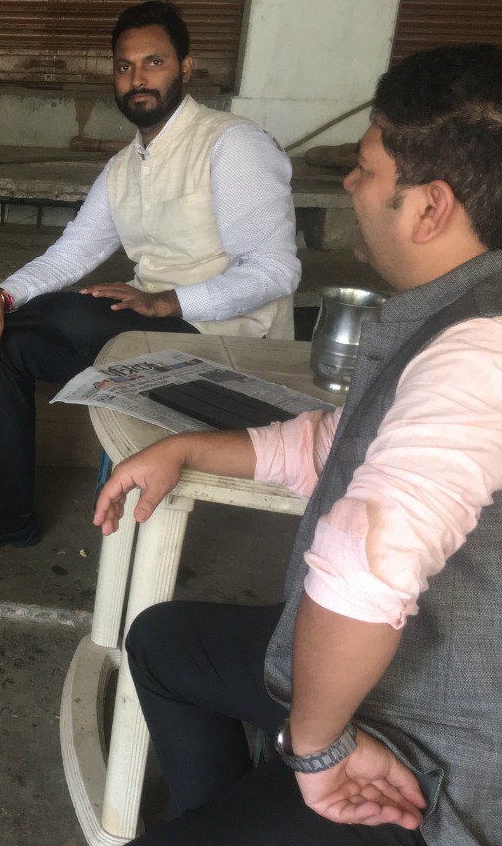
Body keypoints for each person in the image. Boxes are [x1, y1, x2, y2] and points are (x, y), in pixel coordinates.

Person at [92, 43, 502, 845]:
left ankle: (302, 792)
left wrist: (315, 747)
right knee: (166, 645)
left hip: (431, 755)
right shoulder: (457, 311)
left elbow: (365, 566)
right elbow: (340, 444)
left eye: (367, 169)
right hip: (395, 672)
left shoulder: (480, 352)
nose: (350, 184)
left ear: (430, 208)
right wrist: (187, 449)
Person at [0, 0, 301, 561]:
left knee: (79, 312)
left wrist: (167, 301)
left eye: (154, 62)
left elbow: (275, 270)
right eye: (125, 66)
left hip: (226, 344)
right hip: (150, 337)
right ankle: (11, 517)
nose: (138, 78)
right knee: (9, 345)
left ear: (186, 68)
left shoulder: (232, 143)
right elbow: (74, 250)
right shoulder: (125, 166)